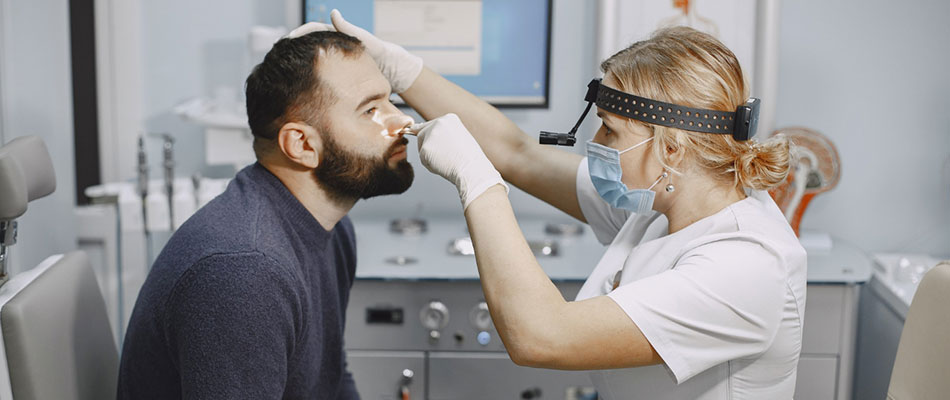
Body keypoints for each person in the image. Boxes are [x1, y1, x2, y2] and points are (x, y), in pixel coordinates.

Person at [301, 11, 808, 399]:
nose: (597, 140)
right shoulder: (660, 203)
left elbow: (541, 337)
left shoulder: (744, 267)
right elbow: (516, 153)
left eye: (610, 127)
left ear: (672, 148)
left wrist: (473, 179)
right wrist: (401, 70)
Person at [117, 31, 415, 399]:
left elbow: (331, 382)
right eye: (371, 110)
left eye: (391, 101)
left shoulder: (332, 229)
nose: (402, 121)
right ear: (303, 145)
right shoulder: (244, 271)